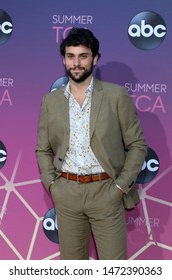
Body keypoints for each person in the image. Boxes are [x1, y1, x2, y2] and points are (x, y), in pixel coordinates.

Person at [36, 27, 147, 260]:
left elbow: (137, 145)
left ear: (95, 58)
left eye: (83, 56)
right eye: (70, 56)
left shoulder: (116, 96)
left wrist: (119, 188)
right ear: (64, 59)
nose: (76, 63)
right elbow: (43, 149)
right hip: (67, 192)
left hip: (106, 191)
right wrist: (53, 186)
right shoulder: (51, 101)